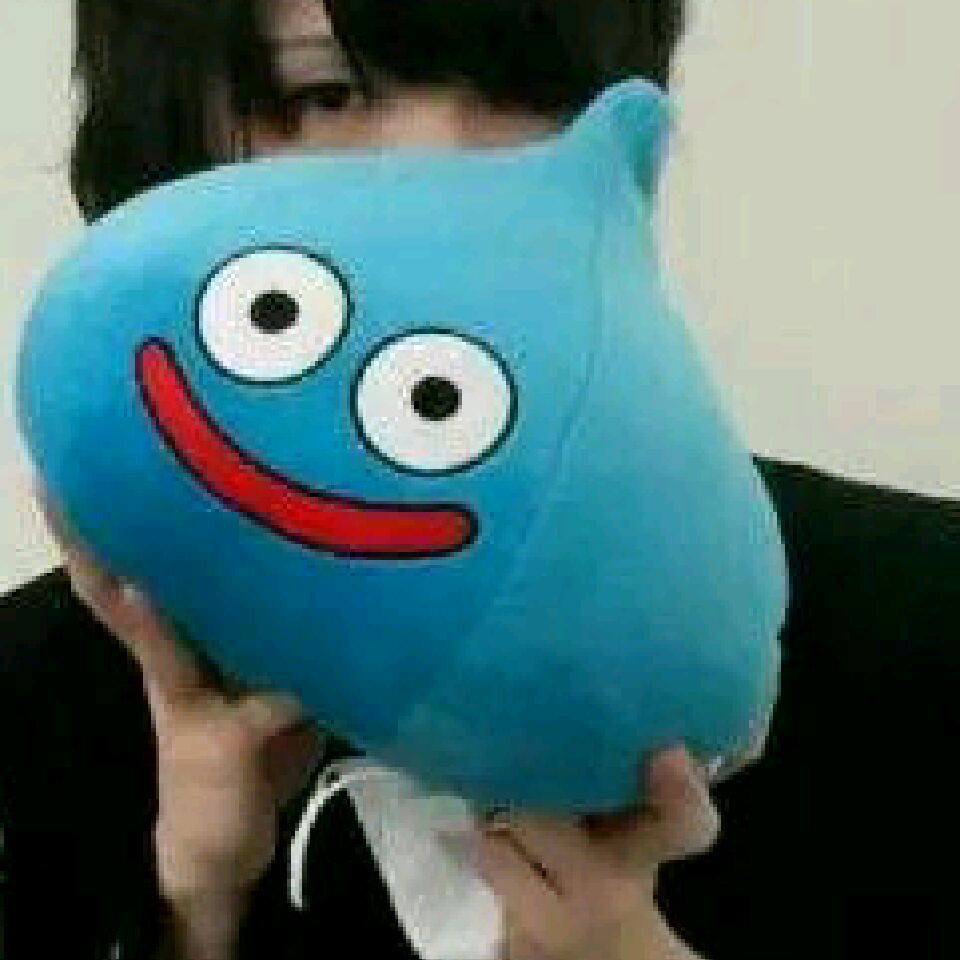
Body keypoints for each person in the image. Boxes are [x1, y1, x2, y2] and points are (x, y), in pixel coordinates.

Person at [0, 1, 956, 958]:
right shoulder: (32, 703)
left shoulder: (919, 624)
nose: (447, 161)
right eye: (328, 94)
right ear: (167, 155)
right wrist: (193, 915)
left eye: (529, 90)